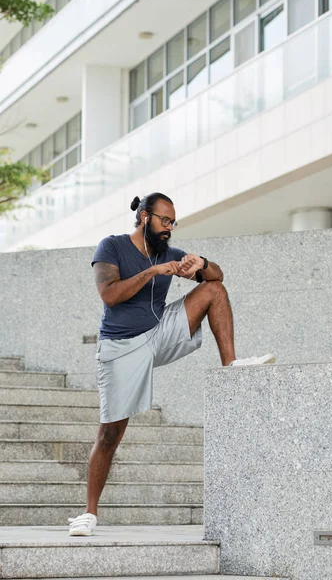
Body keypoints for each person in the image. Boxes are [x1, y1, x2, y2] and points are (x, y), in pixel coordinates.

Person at [69, 192, 275, 536]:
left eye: (173, 222)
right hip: (121, 347)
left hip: (159, 331)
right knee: (110, 433)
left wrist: (202, 265)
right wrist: (152, 271)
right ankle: (89, 513)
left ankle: (231, 365)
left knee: (215, 290)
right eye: (164, 220)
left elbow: (217, 275)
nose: (169, 228)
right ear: (145, 216)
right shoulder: (112, 247)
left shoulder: (169, 253)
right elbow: (109, 294)